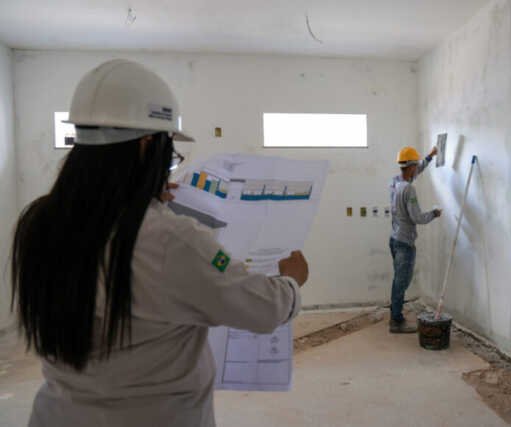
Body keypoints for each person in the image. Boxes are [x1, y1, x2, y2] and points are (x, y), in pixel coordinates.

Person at [10, 59, 309, 427]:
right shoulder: (170, 239)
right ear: (146, 145)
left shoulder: (38, 222)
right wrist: (291, 281)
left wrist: (143, 197)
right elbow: (262, 308)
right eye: (170, 154)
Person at [388, 146, 441, 333]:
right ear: (410, 167)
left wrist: (430, 156)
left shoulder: (395, 182)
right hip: (405, 243)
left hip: (394, 239)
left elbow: (416, 172)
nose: (417, 168)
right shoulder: (409, 189)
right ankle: (396, 321)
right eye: (415, 165)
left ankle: (395, 314)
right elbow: (417, 218)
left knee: (398, 280)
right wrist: (434, 213)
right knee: (402, 282)